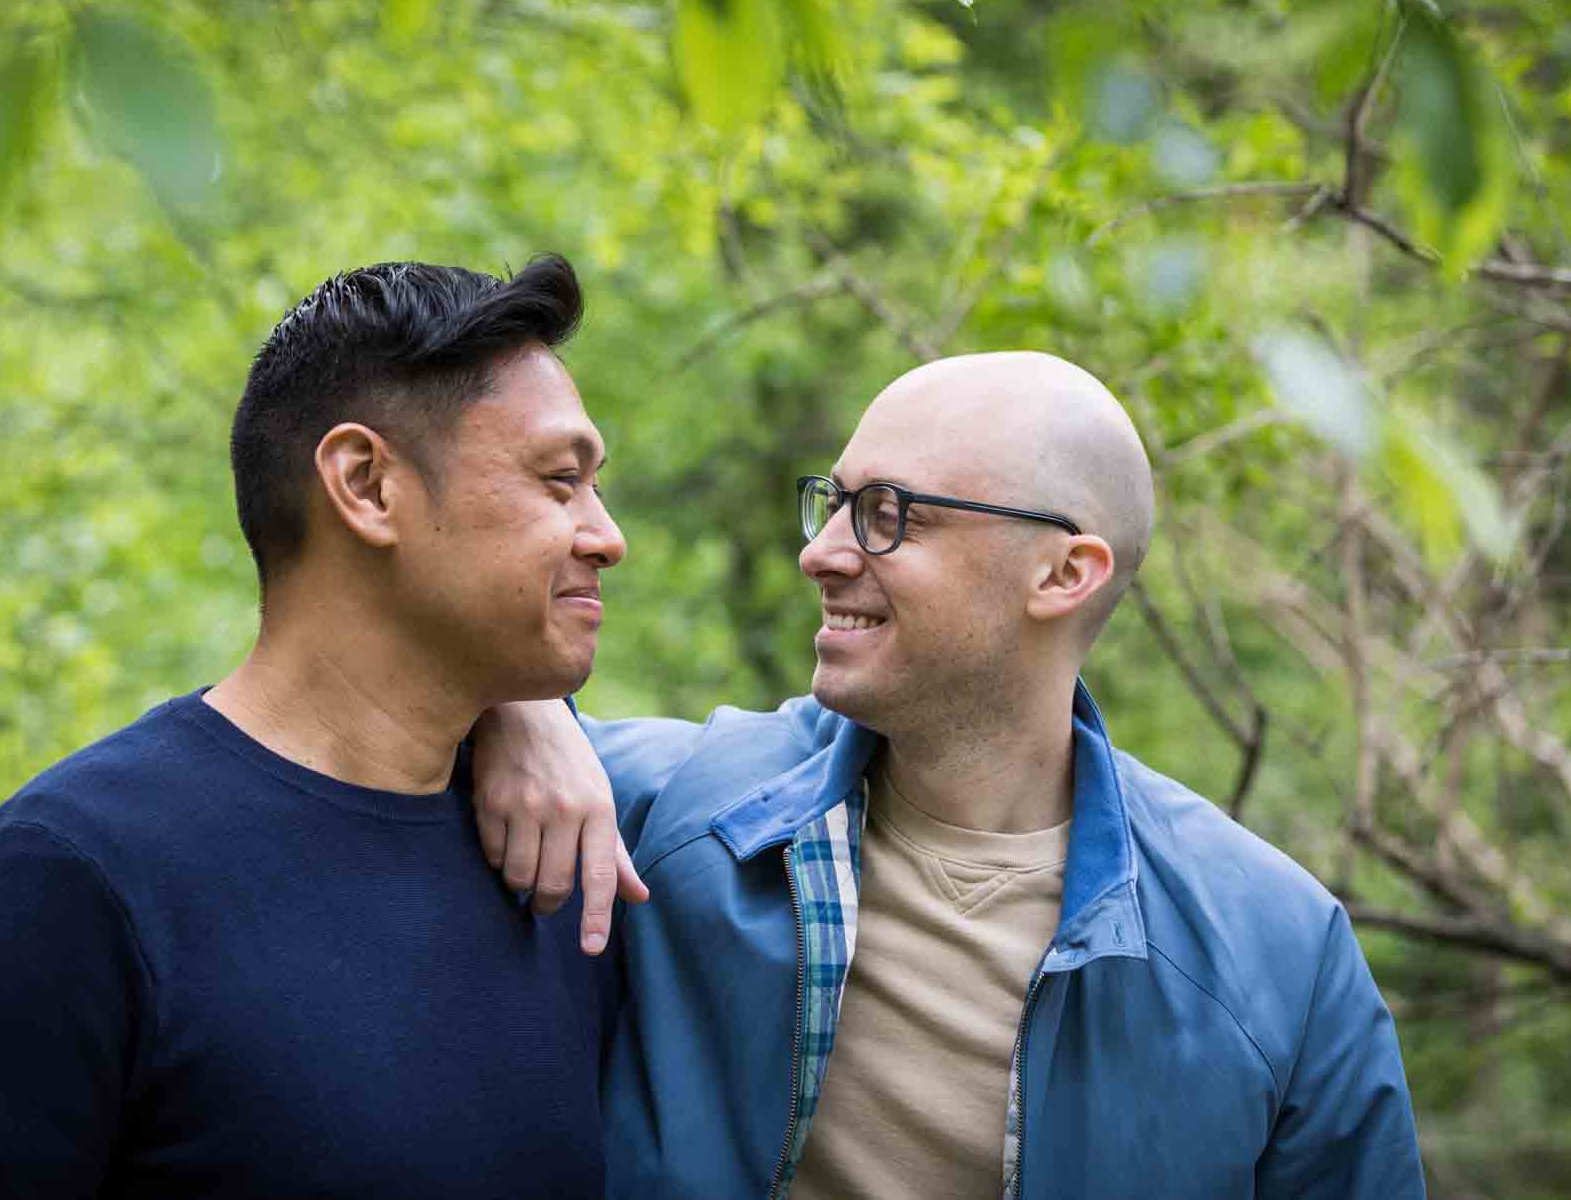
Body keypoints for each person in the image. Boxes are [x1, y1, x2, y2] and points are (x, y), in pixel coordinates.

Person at [475, 350, 1424, 1199]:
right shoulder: (679, 811)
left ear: (1063, 575)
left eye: (888, 516)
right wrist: (516, 703)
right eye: (833, 502)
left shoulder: (1283, 959)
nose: (820, 552)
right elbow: (383, 683)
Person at [0, 256, 643, 1198]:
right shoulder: (65, 884)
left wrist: (538, 712)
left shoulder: (558, 854)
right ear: (366, 484)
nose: (607, 534)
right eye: (560, 480)